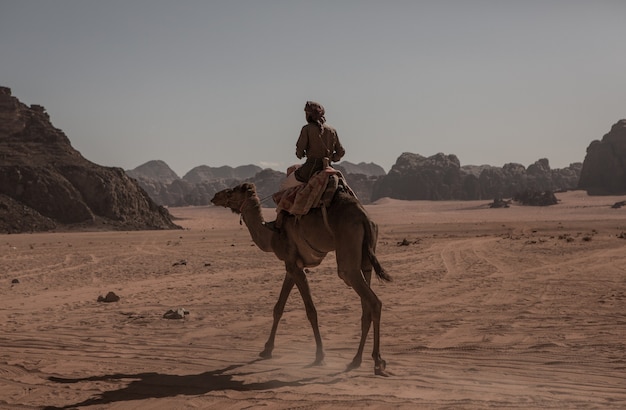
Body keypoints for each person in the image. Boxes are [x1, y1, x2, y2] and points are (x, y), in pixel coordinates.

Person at [265, 101, 346, 232]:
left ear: (309, 115)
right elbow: (341, 152)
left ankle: (279, 223)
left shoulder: (307, 129)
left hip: (310, 170)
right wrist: (332, 158)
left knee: (284, 187)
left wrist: (301, 153)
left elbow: (299, 151)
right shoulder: (332, 130)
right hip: (328, 168)